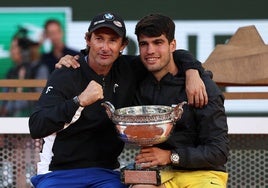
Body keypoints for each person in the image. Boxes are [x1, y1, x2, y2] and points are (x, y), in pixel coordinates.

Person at [28, 12, 207, 188]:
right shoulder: (67, 72)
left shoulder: (128, 68)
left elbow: (171, 55)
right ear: (88, 40)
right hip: (59, 173)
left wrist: (192, 71)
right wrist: (79, 101)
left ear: (123, 45)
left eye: (112, 40)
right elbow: (37, 125)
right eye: (99, 39)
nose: (105, 47)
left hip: (106, 173)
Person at [131, 14, 229, 188]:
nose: (150, 50)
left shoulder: (202, 87)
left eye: (158, 42)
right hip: (159, 172)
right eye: (144, 44)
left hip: (203, 173)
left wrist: (170, 156)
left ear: (172, 45)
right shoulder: (137, 76)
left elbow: (218, 152)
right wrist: (71, 59)